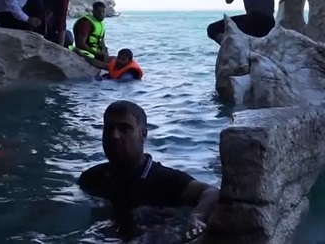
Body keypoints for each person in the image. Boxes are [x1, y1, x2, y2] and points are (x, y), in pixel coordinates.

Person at [78, 101, 219, 241]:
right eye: (109, 128)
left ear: (143, 134)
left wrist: (197, 217)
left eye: (124, 128)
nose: (115, 135)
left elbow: (211, 192)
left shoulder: (163, 180)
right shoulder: (91, 178)